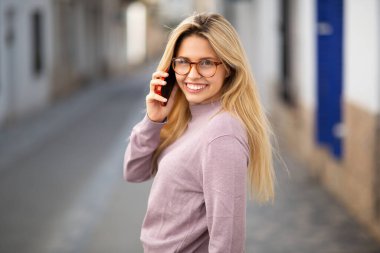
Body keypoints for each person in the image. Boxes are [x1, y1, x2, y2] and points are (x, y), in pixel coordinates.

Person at [123, 12, 275, 252]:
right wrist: (153, 120)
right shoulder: (187, 118)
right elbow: (134, 171)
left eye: (206, 63)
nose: (192, 74)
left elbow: (228, 242)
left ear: (228, 68)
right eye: (183, 61)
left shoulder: (222, 132)